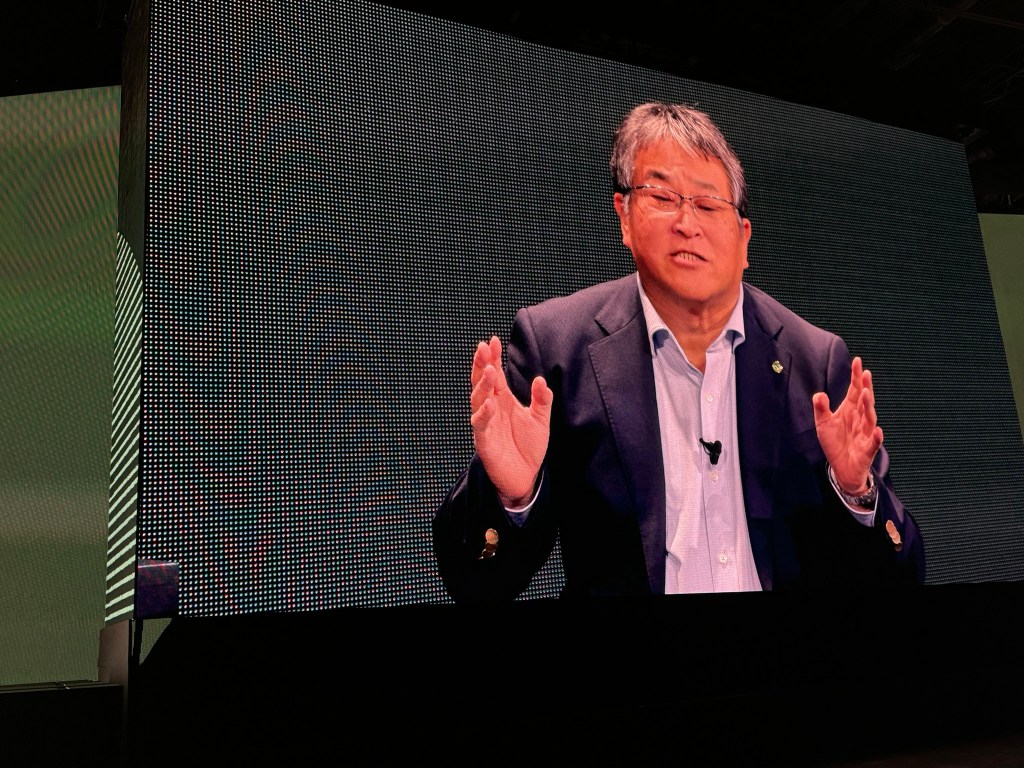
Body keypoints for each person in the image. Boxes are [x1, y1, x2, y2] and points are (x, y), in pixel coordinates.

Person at [433, 101, 925, 602]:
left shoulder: (816, 358)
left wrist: (856, 493)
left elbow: (902, 576)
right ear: (624, 216)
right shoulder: (557, 346)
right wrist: (512, 497)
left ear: (744, 239)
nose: (688, 223)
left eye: (709, 205)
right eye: (663, 197)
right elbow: (475, 585)